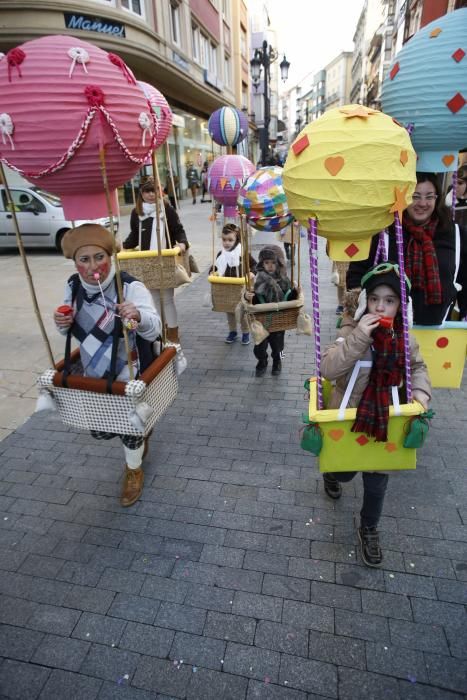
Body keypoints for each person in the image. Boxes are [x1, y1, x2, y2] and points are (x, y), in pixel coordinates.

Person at [321, 264, 431, 567]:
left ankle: (369, 527)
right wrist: (358, 337)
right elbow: (328, 369)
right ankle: (333, 473)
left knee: (377, 478)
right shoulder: (349, 329)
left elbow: (418, 368)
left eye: (390, 300)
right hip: (348, 417)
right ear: (364, 302)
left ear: (400, 306)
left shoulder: (405, 337)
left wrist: (421, 394)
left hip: (386, 418)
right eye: (375, 299)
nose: (381, 306)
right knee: (345, 470)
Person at [54, 224, 161, 508]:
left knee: (129, 429)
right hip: (93, 376)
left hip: (129, 375)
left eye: (99, 257)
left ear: (110, 256)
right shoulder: (73, 285)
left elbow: (154, 330)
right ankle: (140, 436)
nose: (93, 266)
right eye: (84, 259)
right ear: (75, 261)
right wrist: (61, 323)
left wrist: (138, 314)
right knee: (102, 430)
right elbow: (67, 331)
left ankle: (133, 469)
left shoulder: (129, 286)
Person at [347, 172, 467, 326]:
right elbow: (356, 276)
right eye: (415, 196)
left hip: (439, 334)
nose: (422, 203)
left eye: (429, 196)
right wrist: (360, 314)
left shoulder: (455, 234)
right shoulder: (383, 233)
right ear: (402, 198)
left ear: (437, 199)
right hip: (386, 336)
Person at [123, 177, 189, 344]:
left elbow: (178, 229)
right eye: (147, 191)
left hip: (164, 260)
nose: (151, 195)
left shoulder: (167, 209)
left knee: (167, 299)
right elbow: (134, 235)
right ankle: (159, 332)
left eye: (154, 190)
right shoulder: (136, 212)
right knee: (151, 299)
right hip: (146, 262)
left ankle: (173, 334)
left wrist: (182, 243)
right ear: (141, 193)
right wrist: (121, 246)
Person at [246, 245, 298, 376]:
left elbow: (289, 296)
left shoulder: (284, 279)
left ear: (278, 263)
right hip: (261, 319)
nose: (270, 265)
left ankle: (279, 361)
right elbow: (250, 294)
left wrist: (296, 292)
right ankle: (262, 360)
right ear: (262, 264)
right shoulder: (257, 279)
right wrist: (247, 296)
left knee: (279, 347)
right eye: (266, 262)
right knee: (259, 346)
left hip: (279, 319)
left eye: (273, 262)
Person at [211, 223, 256, 345]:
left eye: (230, 240)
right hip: (226, 288)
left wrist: (252, 272)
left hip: (240, 288)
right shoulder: (221, 254)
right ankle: (232, 331)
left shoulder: (242, 253)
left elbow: (255, 264)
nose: (227, 243)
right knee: (229, 311)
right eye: (224, 240)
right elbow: (215, 265)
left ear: (237, 240)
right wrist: (212, 271)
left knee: (242, 313)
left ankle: (245, 332)